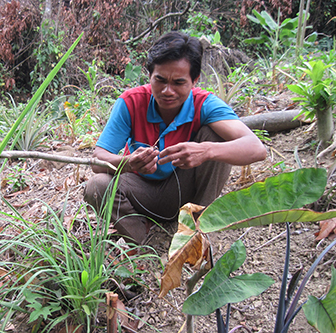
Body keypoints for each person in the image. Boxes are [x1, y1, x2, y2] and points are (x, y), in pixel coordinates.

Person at [84, 31, 267, 245]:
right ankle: (146, 244)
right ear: (149, 75)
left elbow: (256, 148)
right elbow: (98, 158)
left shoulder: (205, 104)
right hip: (139, 191)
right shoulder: (131, 102)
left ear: (194, 80)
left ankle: (196, 228)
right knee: (97, 186)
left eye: (178, 83)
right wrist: (127, 163)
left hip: (184, 191)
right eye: (159, 80)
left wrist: (206, 150)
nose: (167, 91)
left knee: (215, 137)